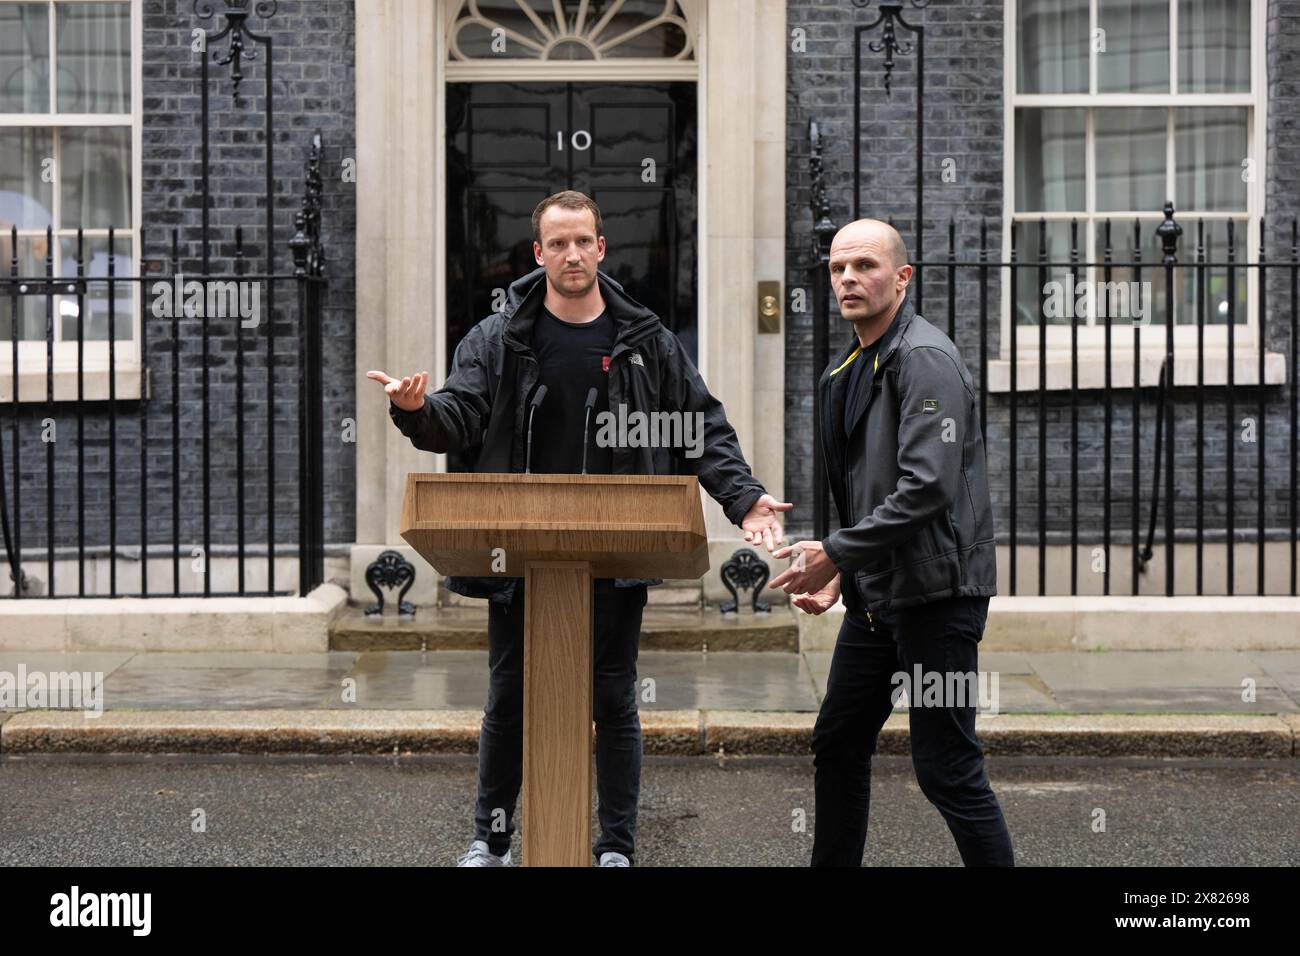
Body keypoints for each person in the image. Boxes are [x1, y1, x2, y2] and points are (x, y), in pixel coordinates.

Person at [370, 190, 791, 866]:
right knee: (509, 696)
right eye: (557, 243)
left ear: (601, 248)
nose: (572, 254)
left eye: (583, 241)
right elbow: (463, 416)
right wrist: (418, 410)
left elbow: (699, 427)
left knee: (614, 698)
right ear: (538, 254)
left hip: (616, 552)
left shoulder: (644, 340)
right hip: (517, 549)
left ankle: (615, 846)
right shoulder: (499, 337)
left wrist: (745, 500)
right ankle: (493, 839)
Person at [768, 218, 1013, 867]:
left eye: (866, 266)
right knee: (840, 742)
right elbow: (870, 489)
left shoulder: (922, 358)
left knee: (947, 769)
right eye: (838, 268)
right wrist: (842, 574)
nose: (849, 278)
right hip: (879, 599)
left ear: (902, 278)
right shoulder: (853, 364)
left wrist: (837, 553)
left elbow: (927, 486)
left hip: (937, 597)